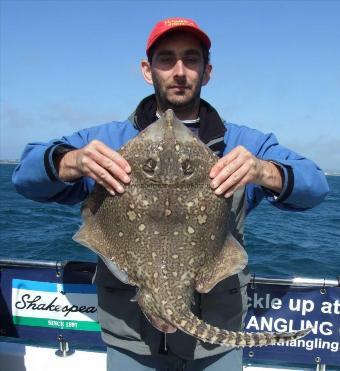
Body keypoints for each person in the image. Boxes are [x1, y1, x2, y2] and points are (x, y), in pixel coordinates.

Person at [12, 17, 329, 371]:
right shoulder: (109, 140)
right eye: (167, 59)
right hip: (130, 339)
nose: (179, 71)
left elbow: (315, 185)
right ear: (148, 70)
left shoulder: (243, 144)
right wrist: (69, 162)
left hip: (214, 342)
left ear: (207, 71)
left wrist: (265, 171)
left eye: (191, 59)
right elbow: (25, 177)